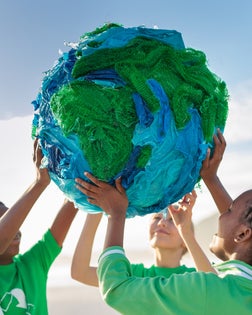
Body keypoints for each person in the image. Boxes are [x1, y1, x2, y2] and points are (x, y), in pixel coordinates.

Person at [79, 129, 252, 315]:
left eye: (230, 211)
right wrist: (211, 179)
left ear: (243, 234)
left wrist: (116, 213)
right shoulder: (237, 290)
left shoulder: (204, 289)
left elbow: (117, 289)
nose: (222, 214)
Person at [0, 139, 78, 315]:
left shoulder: (32, 265)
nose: (16, 230)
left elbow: (70, 206)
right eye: (7, 222)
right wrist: (39, 183)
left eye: (17, 223)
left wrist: (81, 169)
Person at [71, 191, 196, 287]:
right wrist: (97, 206)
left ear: (186, 236)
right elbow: (81, 272)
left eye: (172, 221)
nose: (161, 223)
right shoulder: (136, 275)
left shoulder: (195, 278)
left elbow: (214, 288)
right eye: (157, 218)